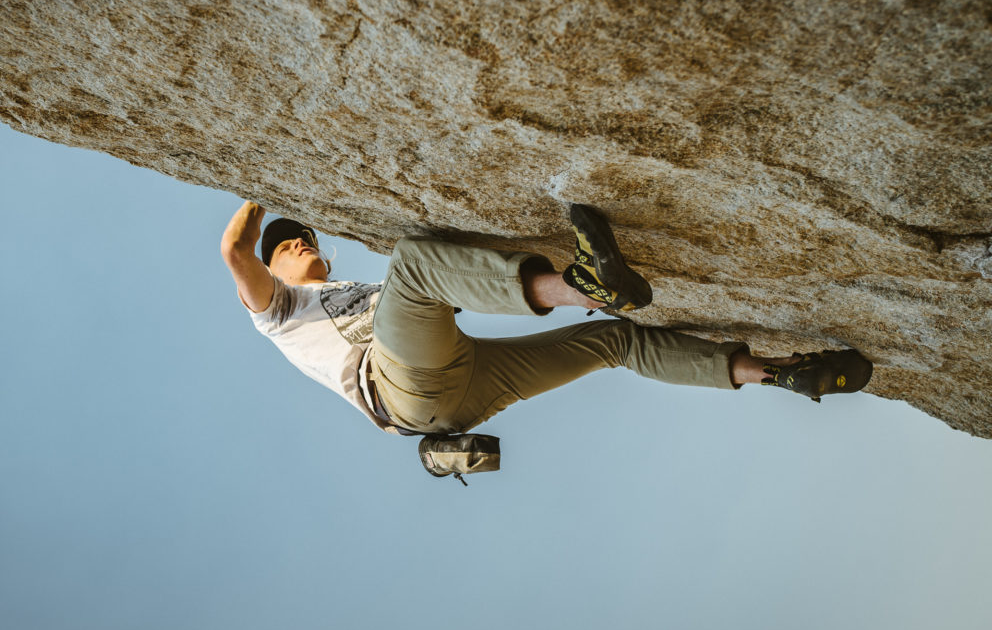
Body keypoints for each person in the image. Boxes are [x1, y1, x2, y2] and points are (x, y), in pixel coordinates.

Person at [220, 199, 873, 438]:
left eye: (302, 235)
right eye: (284, 245)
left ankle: (779, 372)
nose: (298, 242)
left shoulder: (351, 288)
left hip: (454, 398)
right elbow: (233, 249)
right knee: (415, 265)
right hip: (397, 387)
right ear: (272, 268)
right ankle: (583, 284)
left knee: (617, 340)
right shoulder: (278, 312)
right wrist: (265, 185)